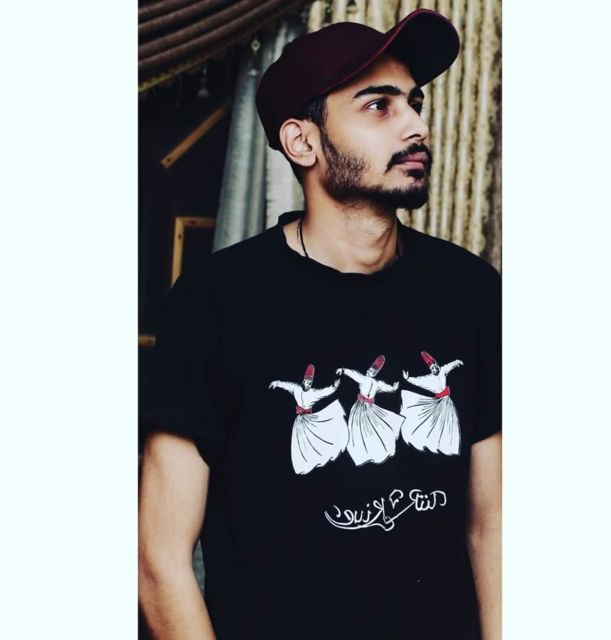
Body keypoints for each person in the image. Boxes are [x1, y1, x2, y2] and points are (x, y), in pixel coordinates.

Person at [139, 8, 501, 640]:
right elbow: (160, 558)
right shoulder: (217, 300)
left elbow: (494, 526)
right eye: (378, 106)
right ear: (302, 142)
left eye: (414, 102)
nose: (417, 124)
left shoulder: (469, 289)